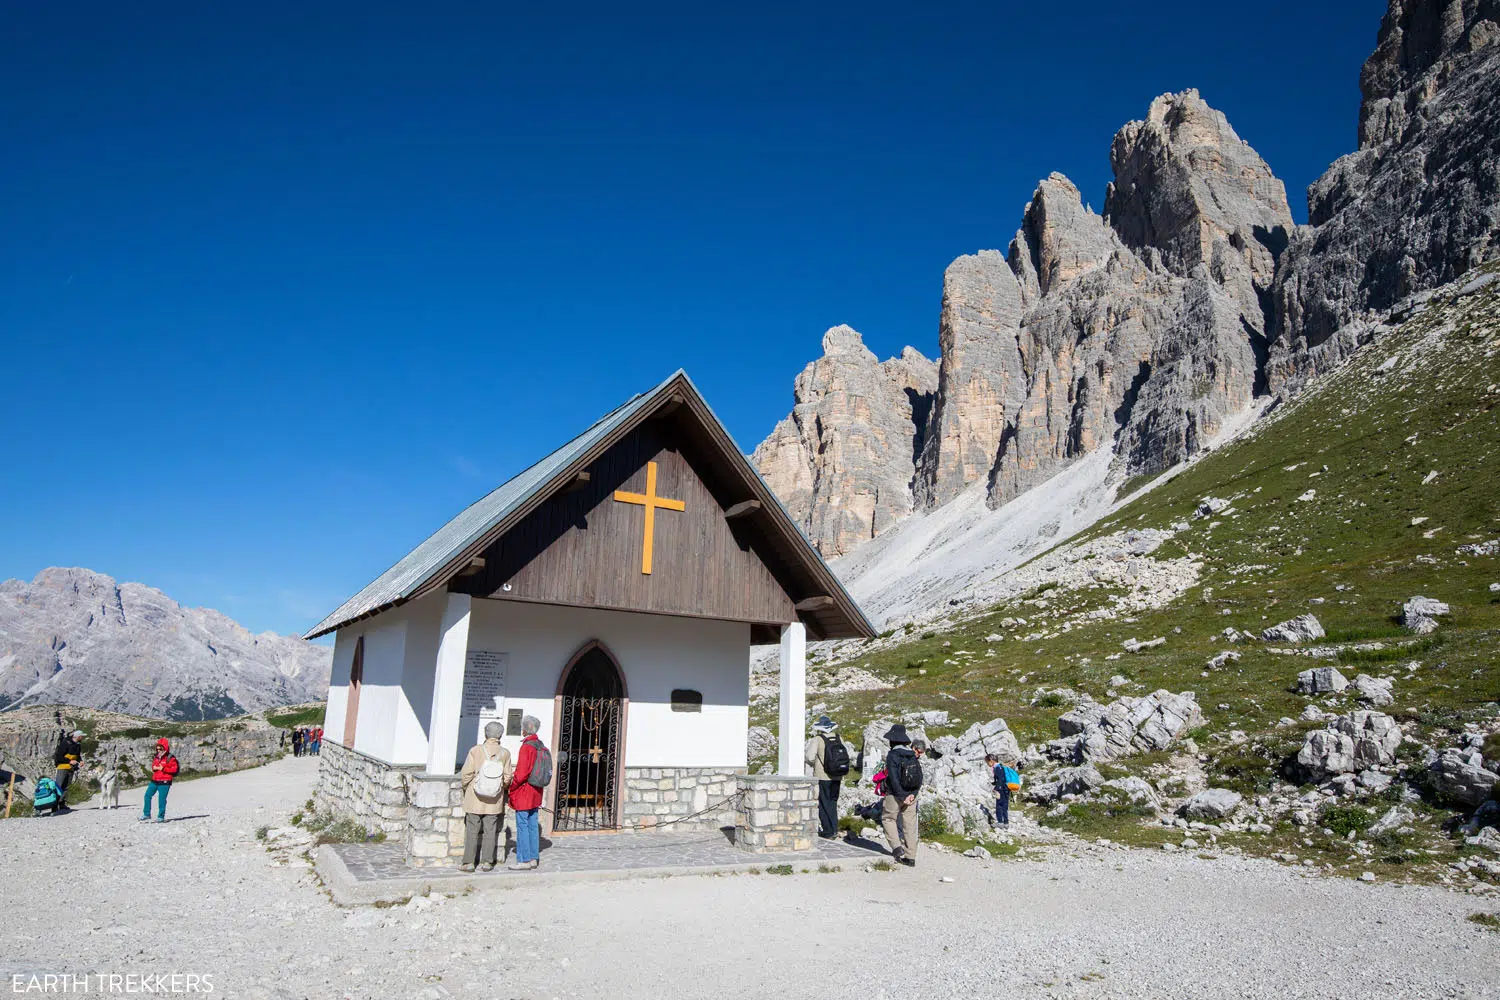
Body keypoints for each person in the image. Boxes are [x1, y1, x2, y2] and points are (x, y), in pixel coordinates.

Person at [459, 721, 512, 872]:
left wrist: (467, 787)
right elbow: (508, 776)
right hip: (494, 798)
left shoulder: (475, 750)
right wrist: (500, 788)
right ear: (500, 735)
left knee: (472, 829)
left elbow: (466, 773)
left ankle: (469, 862)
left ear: (485, 733)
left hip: (475, 796)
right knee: (490, 830)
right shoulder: (505, 753)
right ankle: (487, 862)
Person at [507, 716, 546, 871]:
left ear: (526, 728)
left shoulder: (527, 747)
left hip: (524, 791)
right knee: (532, 825)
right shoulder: (540, 745)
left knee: (522, 825)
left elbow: (522, 773)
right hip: (536, 791)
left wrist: (512, 786)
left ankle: (524, 859)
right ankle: (533, 858)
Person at [880, 724, 922, 867]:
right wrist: (912, 794)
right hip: (912, 795)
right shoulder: (912, 755)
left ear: (892, 740)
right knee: (909, 825)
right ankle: (911, 857)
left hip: (895, 794)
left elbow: (893, 777)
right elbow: (919, 777)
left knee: (888, 819)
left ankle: (897, 848)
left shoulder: (893, 755)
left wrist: (902, 795)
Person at [804, 715, 847, 839]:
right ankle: (834, 828)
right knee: (833, 802)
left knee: (823, 803)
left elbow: (809, 757)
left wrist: (815, 764)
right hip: (837, 776)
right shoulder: (838, 738)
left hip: (822, 775)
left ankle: (828, 831)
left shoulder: (818, 739)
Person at [141, 738, 180, 823]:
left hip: (165, 782)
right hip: (155, 780)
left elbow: (174, 769)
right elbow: (153, 766)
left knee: (161, 799)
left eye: (160, 749)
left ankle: (161, 817)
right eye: (157, 749)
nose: (158, 750)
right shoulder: (156, 757)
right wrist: (154, 768)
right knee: (147, 795)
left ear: (165, 748)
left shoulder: (171, 758)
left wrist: (163, 768)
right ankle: (146, 814)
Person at [53, 729, 84, 810]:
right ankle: (54, 805)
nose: (82, 738)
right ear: (78, 736)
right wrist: (69, 761)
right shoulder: (65, 743)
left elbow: (77, 756)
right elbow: (59, 756)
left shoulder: (78, 745)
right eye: (82, 736)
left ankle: (62, 804)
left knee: (66, 786)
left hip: (71, 768)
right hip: (62, 767)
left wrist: (80, 761)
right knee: (59, 785)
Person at [986, 753, 1014, 828]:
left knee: (999, 805)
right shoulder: (1001, 766)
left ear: (991, 761)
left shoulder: (997, 768)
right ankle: (1006, 823)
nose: (987, 764)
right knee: (1005, 805)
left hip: (1001, 789)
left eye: (987, 762)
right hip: (1007, 788)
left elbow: (1000, 779)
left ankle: (1000, 822)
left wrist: (996, 789)